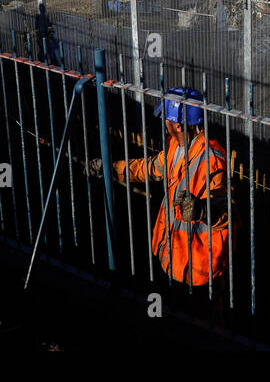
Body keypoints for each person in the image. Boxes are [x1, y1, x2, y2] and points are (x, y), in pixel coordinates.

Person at [93, 87, 232, 287]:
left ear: (177, 124)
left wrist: (203, 210)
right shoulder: (176, 147)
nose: (164, 123)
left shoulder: (212, 160)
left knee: (199, 315)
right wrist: (111, 168)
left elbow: (227, 212)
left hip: (200, 269)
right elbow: (150, 168)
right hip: (173, 254)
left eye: (167, 119)